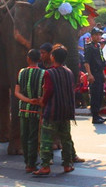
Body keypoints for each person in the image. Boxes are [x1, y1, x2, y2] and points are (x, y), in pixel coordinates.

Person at [33, 46, 77, 176]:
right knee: (66, 139)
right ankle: (67, 164)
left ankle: (45, 166)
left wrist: (42, 101)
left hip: (52, 110)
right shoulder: (69, 72)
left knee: (46, 139)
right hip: (66, 111)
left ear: (53, 57)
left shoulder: (49, 73)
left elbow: (48, 90)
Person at [15, 49, 44, 173]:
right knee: (33, 137)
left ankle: (27, 162)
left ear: (28, 59)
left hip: (23, 109)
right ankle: (31, 163)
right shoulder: (43, 73)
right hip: (36, 110)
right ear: (39, 59)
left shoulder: (21, 72)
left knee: (24, 136)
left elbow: (16, 92)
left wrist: (27, 100)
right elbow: (45, 92)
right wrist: (36, 101)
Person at [84, 28, 106, 124]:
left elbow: (101, 61)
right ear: (92, 36)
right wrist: (89, 74)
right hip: (94, 73)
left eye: (99, 35)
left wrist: (103, 74)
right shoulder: (89, 47)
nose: (98, 37)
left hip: (99, 73)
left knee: (100, 94)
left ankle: (97, 114)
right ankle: (94, 116)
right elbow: (86, 62)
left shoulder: (98, 46)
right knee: (95, 95)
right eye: (96, 35)